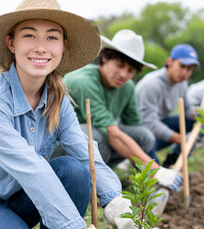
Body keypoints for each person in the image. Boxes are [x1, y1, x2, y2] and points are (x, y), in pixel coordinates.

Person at [0, 0, 136, 228]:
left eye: (52, 38)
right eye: (29, 35)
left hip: (16, 201)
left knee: (73, 171)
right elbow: (31, 168)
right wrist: (74, 225)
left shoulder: (58, 101)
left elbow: (84, 151)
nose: (41, 47)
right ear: (11, 43)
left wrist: (114, 199)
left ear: (63, 46)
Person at [63, 29, 184, 192]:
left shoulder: (127, 87)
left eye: (130, 70)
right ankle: (91, 184)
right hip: (62, 146)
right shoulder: (84, 81)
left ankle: (141, 184)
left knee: (145, 136)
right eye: (119, 65)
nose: (123, 74)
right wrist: (156, 170)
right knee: (96, 136)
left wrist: (153, 169)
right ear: (105, 58)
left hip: (100, 141)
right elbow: (113, 135)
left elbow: (134, 127)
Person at [135, 44, 200, 168]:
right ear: (170, 62)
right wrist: (179, 138)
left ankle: (173, 163)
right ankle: (156, 173)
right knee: (153, 170)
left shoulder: (181, 83)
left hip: (159, 123)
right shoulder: (152, 84)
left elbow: (188, 110)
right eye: (182, 66)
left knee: (192, 122)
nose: (185, 72)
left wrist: (199, 113)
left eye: (189, 69)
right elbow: (148, 122)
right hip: (140, 131)